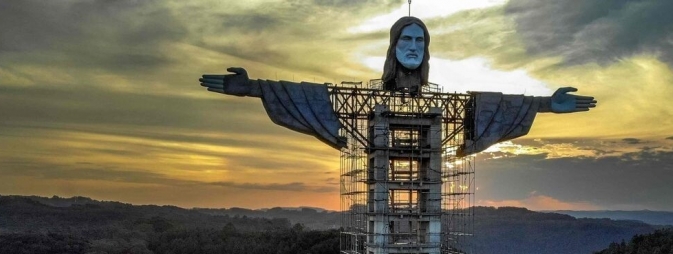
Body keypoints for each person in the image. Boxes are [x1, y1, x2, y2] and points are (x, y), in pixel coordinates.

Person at [198, 16, 596, 155]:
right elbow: (312, 96)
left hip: (431, 154)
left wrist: (545, 103)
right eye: (405, 40)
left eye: (420, 41)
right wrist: (252, 89)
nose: (413, 47)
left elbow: (496, 105)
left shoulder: (450, 102)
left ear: (427, 50)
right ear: (393, 47)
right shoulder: (363, 98)